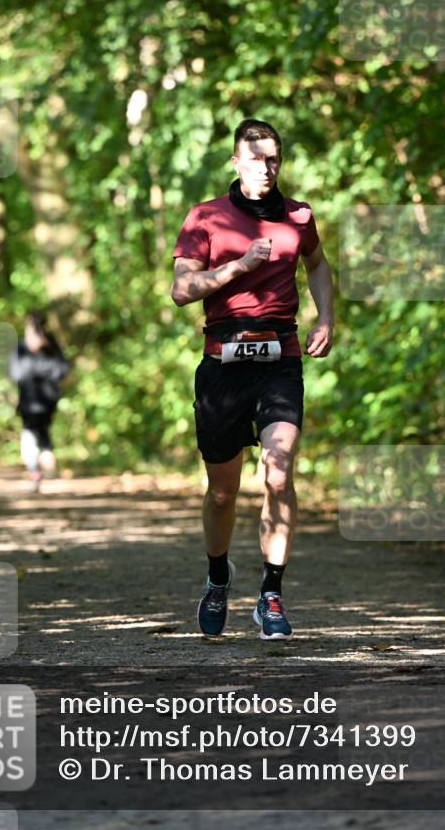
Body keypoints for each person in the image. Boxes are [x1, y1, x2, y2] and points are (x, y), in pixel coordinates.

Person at [171, 119, 334, 640]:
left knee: (280, 471)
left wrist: (326, 317)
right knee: (222, 493)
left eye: (273, 159)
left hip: (280, 359)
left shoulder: (298, 216)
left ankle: (271, 596)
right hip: (222, 363)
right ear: (235, 162)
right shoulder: (206, 217)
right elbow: (181, 289)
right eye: (255, 158)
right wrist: (238, 266)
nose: (265, 167)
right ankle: (218, 578)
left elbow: (318, 265)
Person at [8, 311, 70, 492]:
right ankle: (38, 466)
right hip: (28, 400)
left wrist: (41, 355)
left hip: (47, 401)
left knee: (39, 430)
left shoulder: (51, 347)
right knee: (31, 432)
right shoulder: (20, 348)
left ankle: (43, 459)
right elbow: (15, 373)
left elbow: (62, 370)